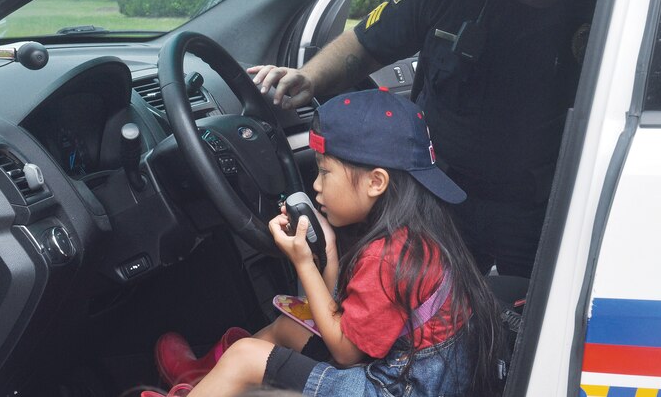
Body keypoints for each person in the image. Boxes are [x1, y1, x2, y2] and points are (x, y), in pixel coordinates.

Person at [248, 0, 603, 278]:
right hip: (441, 193)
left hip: (536, 207)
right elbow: (366, 43)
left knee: (525, 316)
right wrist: (309, 79)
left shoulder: (611, 6)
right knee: (421, 306)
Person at [149, 89, 507, 396]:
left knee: (246, 356)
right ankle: (203, 383)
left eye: (324, 170)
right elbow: (349, 318)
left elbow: (346, 353)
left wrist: (305, 263)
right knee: (287, 328)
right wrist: (330, 250)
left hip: (392, 387)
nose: (316, 184)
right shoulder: (412, 234)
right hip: (407, 372)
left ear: (376, 182)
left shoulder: (389, 258)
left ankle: (217, 380)